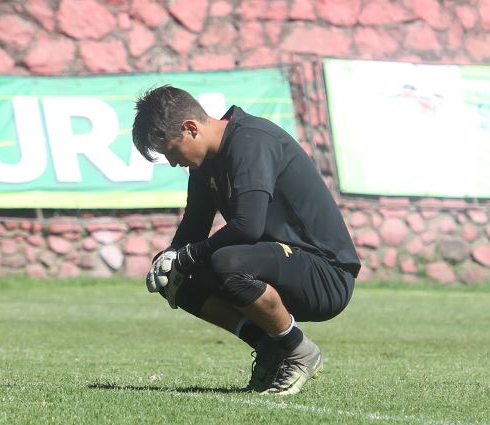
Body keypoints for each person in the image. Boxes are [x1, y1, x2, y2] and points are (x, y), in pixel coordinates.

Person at [132, 85, 360, 395]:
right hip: (276, 263)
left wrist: (186, 255)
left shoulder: (250, 141)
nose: (173, 162)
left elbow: (248, 227)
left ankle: (299, 351)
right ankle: (270, 348)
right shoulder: (204, 163)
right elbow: (194, 227)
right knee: (176, 278)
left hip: (326, 275)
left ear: (190, 128)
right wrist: (171, 256)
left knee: (227, 262)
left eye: (172, 151)